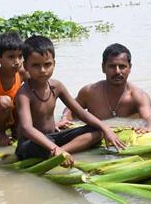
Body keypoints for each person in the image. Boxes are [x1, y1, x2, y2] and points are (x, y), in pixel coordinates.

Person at [15, 35, 125, 166]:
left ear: (54, 64)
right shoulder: (24, 93)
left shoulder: (56, 86)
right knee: (40, 146)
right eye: (36, 66)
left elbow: (80, 113)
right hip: (31, 144)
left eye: (47, 64)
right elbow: (27, 128)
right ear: (26, 66)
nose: (43, 70)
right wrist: (54, 148)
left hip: (53, 139)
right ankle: (56, 152)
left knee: (98, 132)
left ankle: (61, 152)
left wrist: (106, 128)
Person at [59, 43, 151, 133]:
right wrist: (64, 119)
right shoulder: (89, 92)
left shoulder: (138, 96)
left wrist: (146, 128)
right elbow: (70, 109)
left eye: (122, 66)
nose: (117, 71)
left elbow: (148, 119)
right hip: (95, 135)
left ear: (129, 68)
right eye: (112, 66)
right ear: (103, 68)